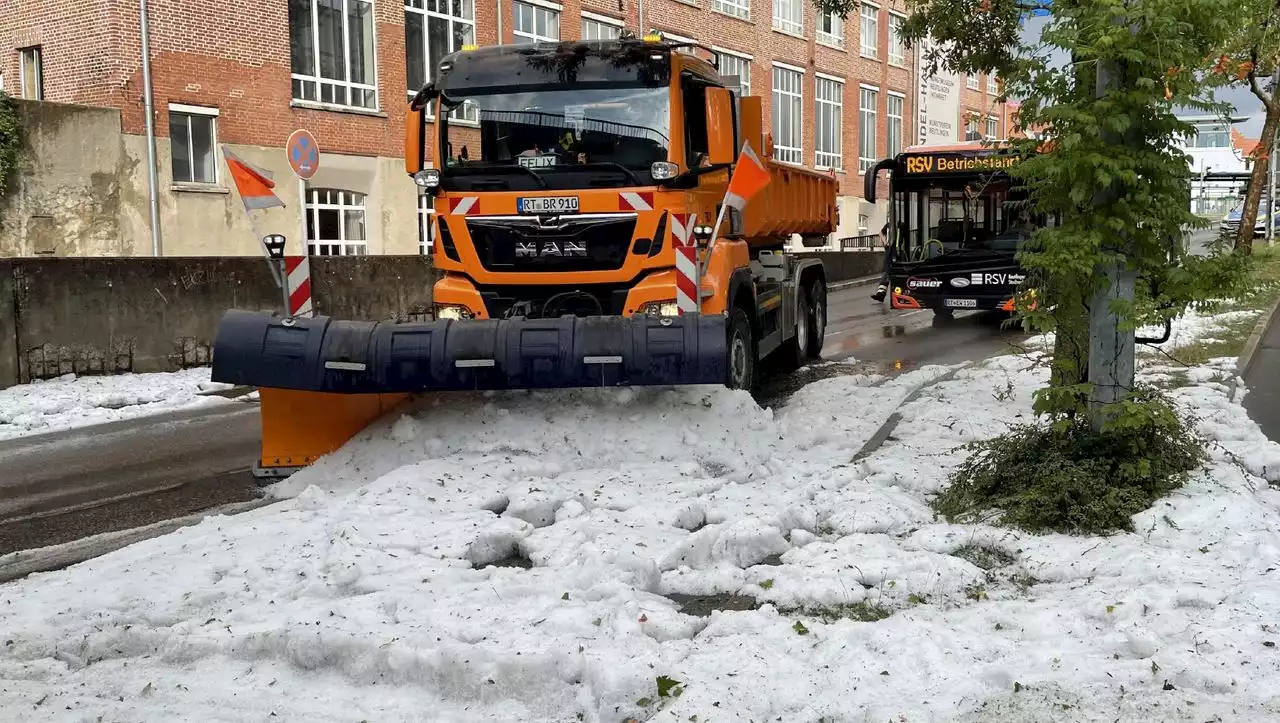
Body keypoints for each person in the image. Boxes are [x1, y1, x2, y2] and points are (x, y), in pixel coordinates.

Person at [871, 223, 891, 303]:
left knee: (888, 272)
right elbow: (881, 233)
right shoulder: (890, 224)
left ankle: (881, 294)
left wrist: (884, 242)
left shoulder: (892, 223)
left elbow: (881, 233)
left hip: (893, 249)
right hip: (890, 249)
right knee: (887, 271)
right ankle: (881, 293)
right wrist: (885, 242)